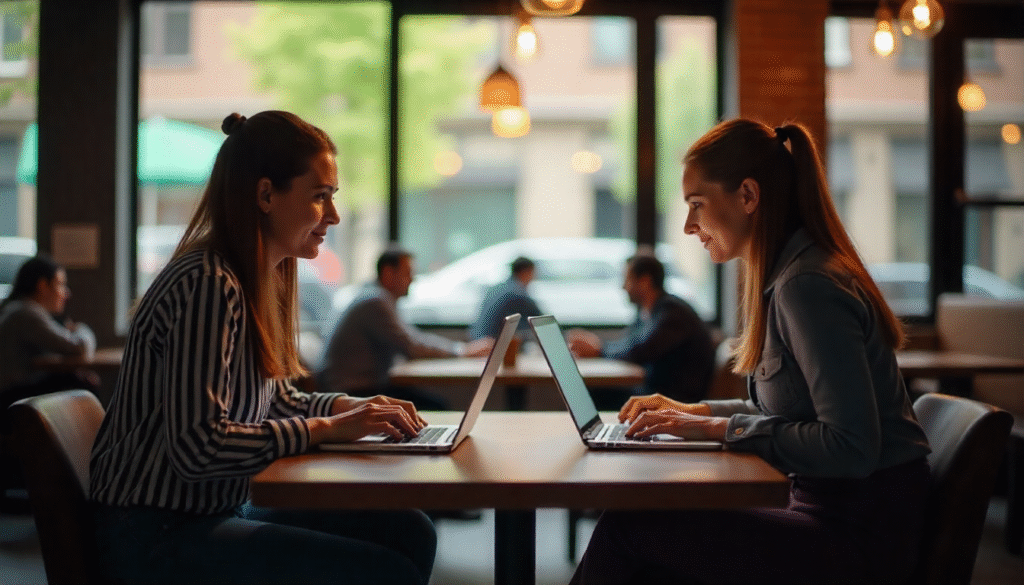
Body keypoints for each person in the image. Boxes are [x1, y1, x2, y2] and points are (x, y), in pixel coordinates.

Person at [570, 119, 932, 585]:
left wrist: (714, 427)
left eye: (696, 204)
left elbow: (851, 447)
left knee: (630, 525)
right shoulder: (790, 277)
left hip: (855, 538)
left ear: (747, 196)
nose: (688, 226)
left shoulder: (807, 286)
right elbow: (784, 411)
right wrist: (689, 412)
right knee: (649, 538)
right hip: (827, 513)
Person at [89, 111, 437, 585]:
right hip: (155, 532)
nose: (333, 216)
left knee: (411, 529)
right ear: (266, 195)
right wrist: (328, 427)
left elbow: (272, 401)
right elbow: (199, 446)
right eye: (320, 197)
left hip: (210, 511)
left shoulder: (254, 279)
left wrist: (354, 408)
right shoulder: (209, 284)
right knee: (387, 568)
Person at [320, 247, 493, 411]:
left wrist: (461, 349)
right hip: (351, 392)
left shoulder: (379, 298)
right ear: (388, 273)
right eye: (408, 273)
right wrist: (463, 350)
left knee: (431, 403)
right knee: (436, 406)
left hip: (358, 387)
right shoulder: (375, 302)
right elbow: (412, 346)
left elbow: (412, 338)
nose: (412, 279)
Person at [567, 253, 715, 409]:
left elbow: (639, 352)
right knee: (593, 391)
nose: (623, 287)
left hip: (674, 400)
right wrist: (599, 348)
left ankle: (602, 433)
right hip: (656, 392)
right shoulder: (648, 312)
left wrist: (599, 350)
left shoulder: (672, 313)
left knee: (594, 394)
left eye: (627, 279)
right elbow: (630, 343)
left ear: (644, 281)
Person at [0, 254, 99, 426]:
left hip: (10, 395)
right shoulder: (26, 313)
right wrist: (81, 329)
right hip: (10, 399)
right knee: (82, 385)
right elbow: (79, 347)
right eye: (60, 284)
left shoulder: (17, 310)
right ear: (43, 285)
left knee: (76, 379)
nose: (66, 293)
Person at [469, 255, 542, 341]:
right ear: (526, 272)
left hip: (475, 340)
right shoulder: (516, 293)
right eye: (533, 273)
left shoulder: (497, 288)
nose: (534, 277)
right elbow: (540, 318)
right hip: (489, 345)